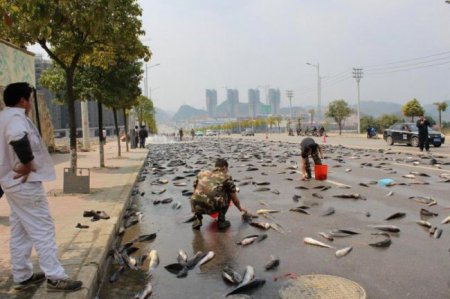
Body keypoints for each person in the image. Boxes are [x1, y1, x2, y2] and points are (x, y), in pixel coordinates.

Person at [0, 82, 82, 292]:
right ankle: (55, 277)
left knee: (20, 230)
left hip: (13, 185)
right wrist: (27, 164)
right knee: (43, 229)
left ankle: (22, 275)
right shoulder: (16, 118)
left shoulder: (4, 117)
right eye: (28, 98)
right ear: (22, 100)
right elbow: (17, 137)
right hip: (25, 185)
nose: (29, 102)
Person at [190, 158, 249, 230]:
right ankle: (221, 221)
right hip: (212, 207)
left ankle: (197, 219)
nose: (227, 171)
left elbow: (195, 188)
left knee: (198, 194)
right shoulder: (226, 177)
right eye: (227, 169)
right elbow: (234, 198)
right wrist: (240, 208)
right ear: (224, 167)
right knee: (229, 193)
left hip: (195, 206)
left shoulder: (202, 173)